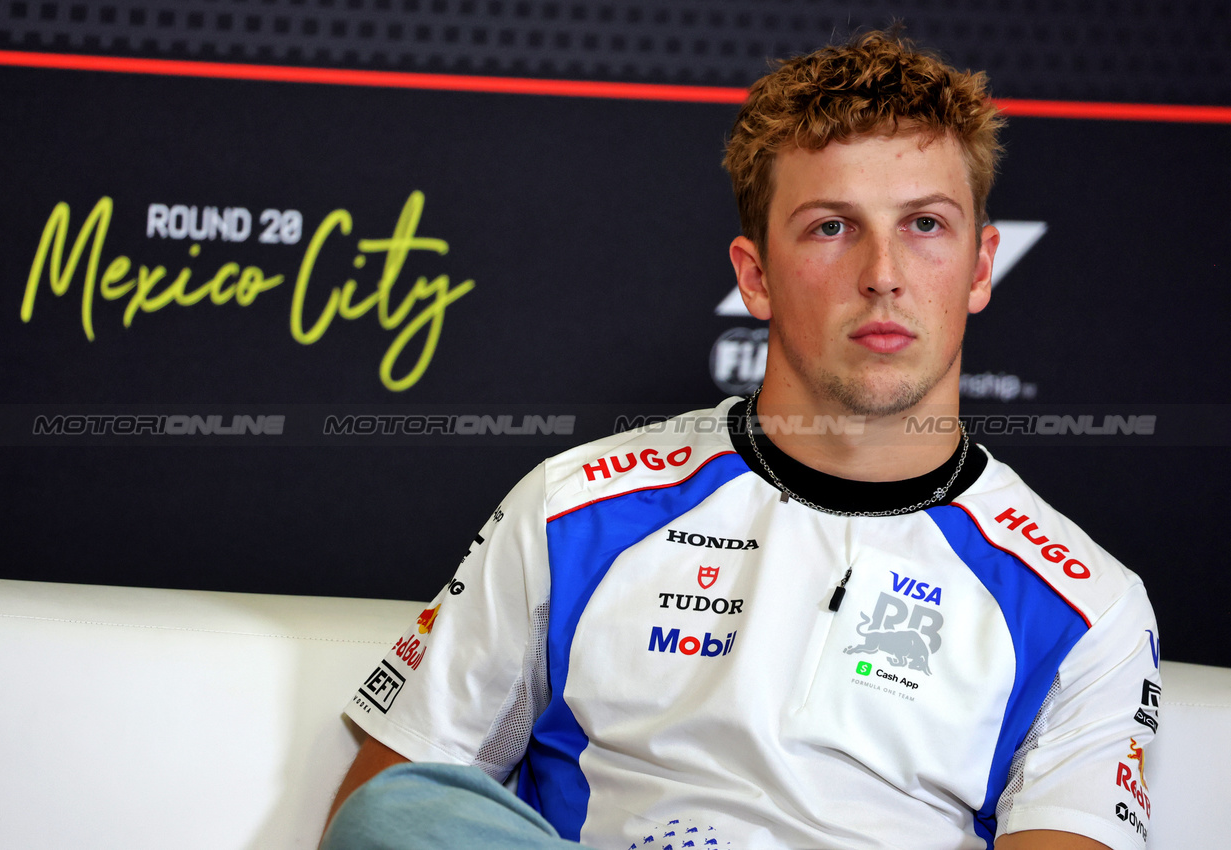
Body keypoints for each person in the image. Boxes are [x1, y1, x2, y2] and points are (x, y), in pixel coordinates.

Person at [323, 29, 1160, 850]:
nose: (881, 272)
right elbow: (391, 813)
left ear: (979, 269)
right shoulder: (572, 508)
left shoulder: (1087, 607)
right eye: (831, 227)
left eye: (924, 225)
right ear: (754, 276)